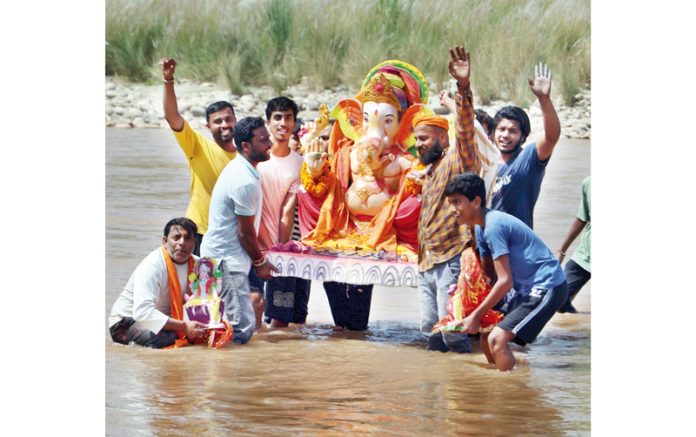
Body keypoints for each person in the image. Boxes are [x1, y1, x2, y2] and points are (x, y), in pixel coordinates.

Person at [445, 173, 568, 371]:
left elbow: (505, 281)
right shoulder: (479, 228)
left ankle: (510, 393)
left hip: (547, 284)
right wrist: (464, 297)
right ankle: (501, 379)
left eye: (457, 202)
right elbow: (490, 277)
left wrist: (475, 316)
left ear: (475, 201)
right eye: (450, 203)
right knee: (487, 333)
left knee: (497, 339)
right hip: (523, 287)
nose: (453, 210)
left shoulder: (493, 226)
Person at [414, 45, 481, 353]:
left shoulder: (457, 159)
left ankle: (463, 395)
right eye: (416, 139)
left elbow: (466, 130)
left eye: (424, 139)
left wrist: (463, 88)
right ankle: (435, 396)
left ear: (443, 138)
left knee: (452, 330)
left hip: (451, 259)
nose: (418, 145)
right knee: (429, 332)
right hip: (428, 261)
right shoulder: (428, 172)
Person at [200, 117, 279, 344]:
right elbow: (244, 233)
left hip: (217, 257)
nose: (270, 144)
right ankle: (235, 377)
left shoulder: (241, 169)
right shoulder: (244, 180)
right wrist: (260, 262)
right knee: (241, 328)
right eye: (263, 140)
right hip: (226, 263)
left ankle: (215, 374)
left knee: (217, 326)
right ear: (246, 146)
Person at [160, 58, 238, 255]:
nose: (224, 125)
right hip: (199, 233)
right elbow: (172, 116)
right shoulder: (197, 147)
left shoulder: (246, 157)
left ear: (236, 121)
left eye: (228, 119)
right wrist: (168, 81)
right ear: (208, 127)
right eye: (217, 121)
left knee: (229, 285)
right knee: (200, 286)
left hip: (232, 236)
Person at [254, 96, 311, 329]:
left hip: (292, 249)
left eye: (288, 117)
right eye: (277, 117)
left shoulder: (302, 163)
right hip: (257, 248)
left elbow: (292, 213)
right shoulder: (257, 161)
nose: (283, 123)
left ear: (294, 123)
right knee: (266, 315)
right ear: (267, 122)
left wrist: (284, 250)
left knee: (294, 318)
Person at [108, 218, 208, 349]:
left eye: (187, 238)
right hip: (126, 322)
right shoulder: (152, 266)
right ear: (165, 241)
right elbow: (142, 313)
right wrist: (184, 326)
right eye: (176, 237)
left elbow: (212, 298)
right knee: (169, 339)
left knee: (208, 333)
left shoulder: (200, 266)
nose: (182, 243)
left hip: (166, 319)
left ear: (194, 242)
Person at [489, 63, 561, 229]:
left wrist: (544, 100)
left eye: (513, 131)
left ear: (523, 136)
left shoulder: (528, 159)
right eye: (501, 129)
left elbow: (551, 137)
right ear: (493, 133)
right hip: (487, 246)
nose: (506, 135)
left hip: (518, 246)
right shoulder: (485, 163)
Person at [556, 176, 591, 313]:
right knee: (558, 299)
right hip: (585, 256)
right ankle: (577, 329)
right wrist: (562, 250)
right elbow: (582, 218)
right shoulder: (588, 183)